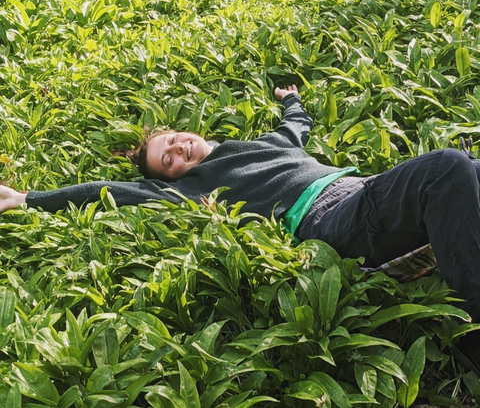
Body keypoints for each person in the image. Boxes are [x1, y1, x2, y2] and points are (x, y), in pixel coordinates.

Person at [1, 84, 480, 371]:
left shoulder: (269, 143)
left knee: (470, 170)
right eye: (166, 161)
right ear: (172, 176)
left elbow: (298, 125)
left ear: (183, 131)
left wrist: (290, 98)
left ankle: (448, 251)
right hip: (329, 220)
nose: (176, 151)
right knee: (447, 168)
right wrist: (29, 199)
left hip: (361, 188)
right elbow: (106, 191)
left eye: (171, 142)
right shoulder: (191, 188)